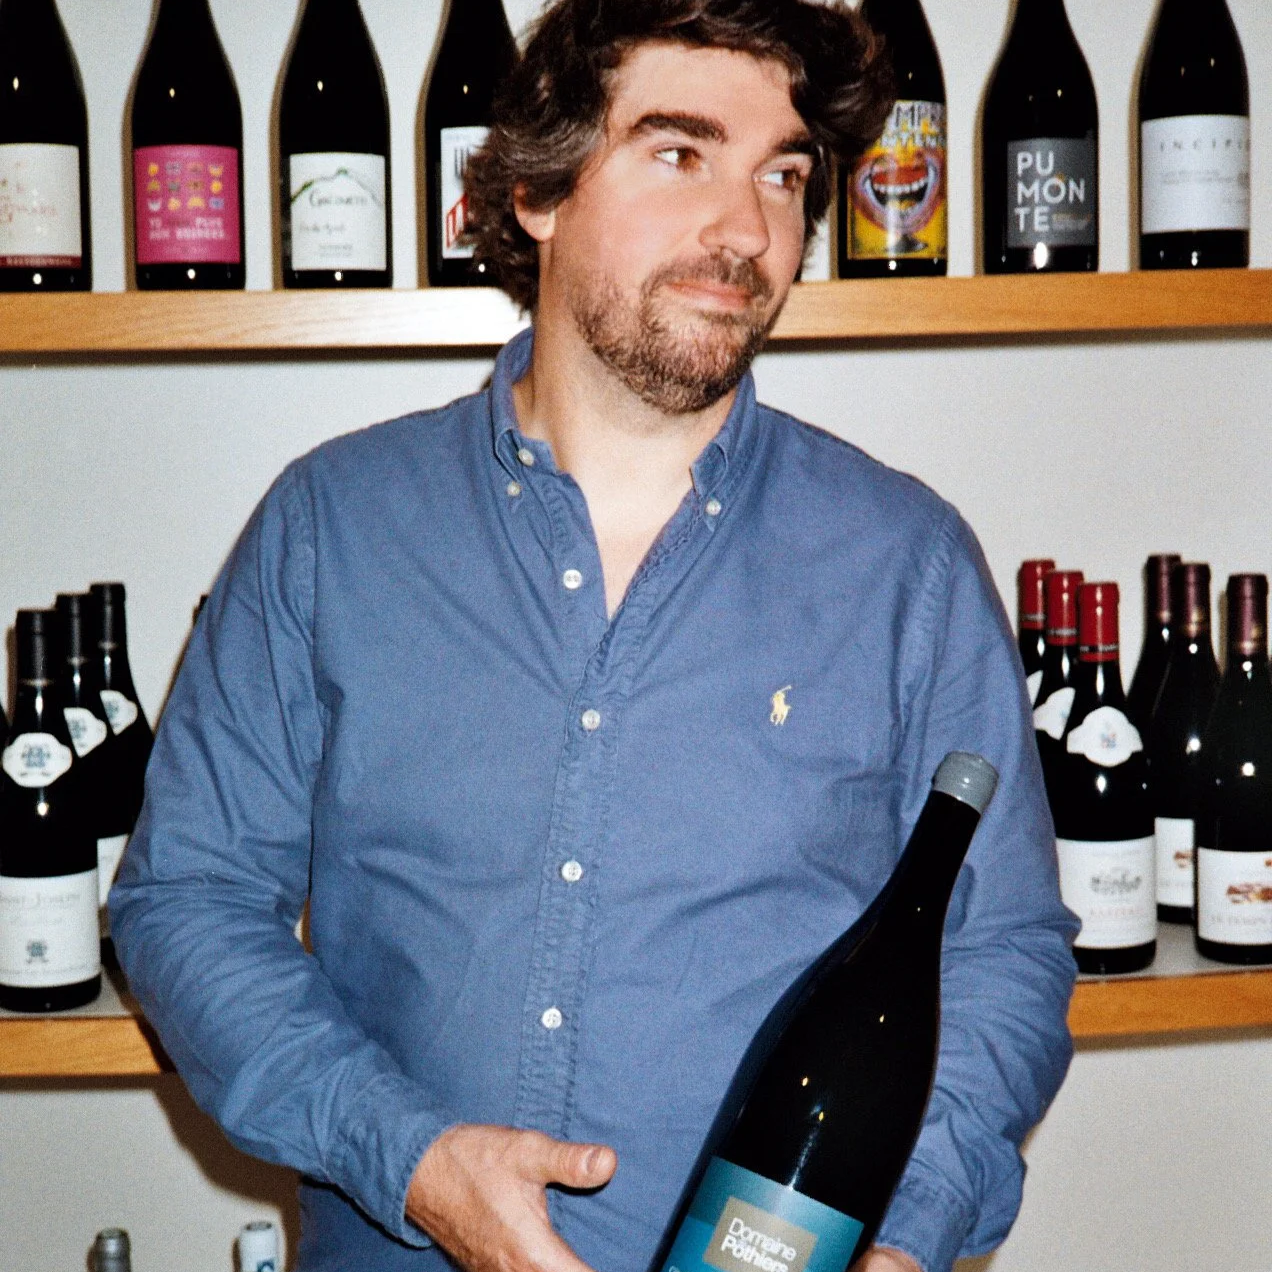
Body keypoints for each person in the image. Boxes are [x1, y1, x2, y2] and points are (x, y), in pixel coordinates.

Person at [111, 3, 1078, 1271]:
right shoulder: (328, 529)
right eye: (682, 154)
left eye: (782, 174)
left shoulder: (907, 563)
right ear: (538, 195)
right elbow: (188, 902)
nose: (747, 230)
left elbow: (1003, 951)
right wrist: (412, 1160)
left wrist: (902, 1236)